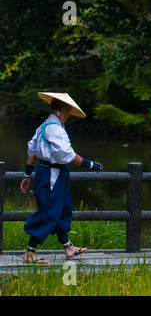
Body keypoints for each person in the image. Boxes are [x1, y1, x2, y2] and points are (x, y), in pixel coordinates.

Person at [20, 92, 103, 264]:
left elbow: (32, 151)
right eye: (69, 112)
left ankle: (68, 247)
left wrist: (27, 174)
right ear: (63, 109)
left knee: (62, 209)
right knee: (50, 210)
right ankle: (30, 252)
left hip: (50, 172)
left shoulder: (43, 126)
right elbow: (68, 155)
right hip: (52, 174)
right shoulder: (55, 129)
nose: (69, 116)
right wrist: (91, 164)